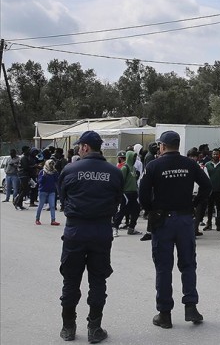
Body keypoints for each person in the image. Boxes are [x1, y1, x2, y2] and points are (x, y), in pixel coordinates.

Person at [138, 130, 212, 329]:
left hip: (163, 221)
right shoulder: (190, 164)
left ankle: (165, 314)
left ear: (162, 146)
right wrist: (195, 203)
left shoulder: (153, 165)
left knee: (163, 267)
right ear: (178, 145)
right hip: (185, 219)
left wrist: (151, 209)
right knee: (188, 264)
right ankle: (191, 307)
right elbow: (207, 185)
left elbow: (142, 193)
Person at [57, 131, 123, 343]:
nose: (78, 149)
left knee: (70, 279)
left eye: (79, 146)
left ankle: (68, 327)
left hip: (75, 231)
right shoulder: (114, 172)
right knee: (98, 280)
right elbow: (118, 199)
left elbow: (63, 197)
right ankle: (94, 329)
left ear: (85, 147)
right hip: (101, 231)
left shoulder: (70, 169)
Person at [112, 150, 142, 236]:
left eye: (135, 157)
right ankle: (115, 228)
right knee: (122, 211)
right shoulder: (125, 168)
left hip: (134, 193)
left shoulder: (133, 168)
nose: (135, 158)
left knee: (136, 211)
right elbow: (120, 181)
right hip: (126, 193)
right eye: (133, 157)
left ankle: (131, 228)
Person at [204, 148, 220, 231]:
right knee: (210, 207)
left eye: (217, 154)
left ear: (219, 155)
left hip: (219, 189)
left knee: (219, 208)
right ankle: (209, 223)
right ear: (211, 155)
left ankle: (218, 224)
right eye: (214, 154)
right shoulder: (207, 165)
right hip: (210, 190)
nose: (215, 155)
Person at [35, 159, 60, 226]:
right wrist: (43, 176)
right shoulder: (42, 172)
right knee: (41, 205)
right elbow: (39, 181)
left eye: (52, 164)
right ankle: (37, 219)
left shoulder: (54, 172)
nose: (51, 165)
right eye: (50, 164)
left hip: (51, 191)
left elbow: (56, 180)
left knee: (52, 206)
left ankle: (53, 220)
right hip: (43, 191)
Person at [14, 146, 38, 211]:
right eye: (28, 150)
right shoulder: (24, 158)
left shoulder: (26, 157)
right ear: (25, 150)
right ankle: (17, 203)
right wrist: (35, 166)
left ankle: (19, 204)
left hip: (25, 175)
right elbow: (26, 167)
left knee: (22, 190)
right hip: (23, 175)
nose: (29, 151)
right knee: (25, 189)